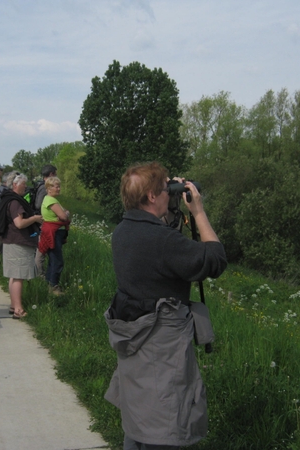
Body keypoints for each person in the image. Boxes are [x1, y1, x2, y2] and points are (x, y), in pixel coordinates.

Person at [105, 161, 227, 450]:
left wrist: (171, 209)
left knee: (141, 416)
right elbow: (215, 259)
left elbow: (165, 248)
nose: (167, 193)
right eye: (164, 189)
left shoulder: (123, 231)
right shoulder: (163, 241)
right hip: (163, 347)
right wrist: (197, 211)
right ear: (150, 196)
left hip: (135, 340)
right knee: (165, 421)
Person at [0, 172, 44, 318]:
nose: (26, 186)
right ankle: (18, 309)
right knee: (18, 276)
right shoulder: (15, 202)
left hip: (10, 241)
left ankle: (13, 305)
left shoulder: (7, 198)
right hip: (18, 243)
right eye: (23, 184)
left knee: (13, 276)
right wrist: (35, 218)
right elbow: (19, 223)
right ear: (15, 184)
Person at [38, 176, 70, 295]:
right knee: (57, 261)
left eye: (59, 186)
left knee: (53, 260)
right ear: (49, 188)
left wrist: (64, 213)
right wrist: (65, 213)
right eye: (56, 186)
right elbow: (64, 216)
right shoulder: (51, 201)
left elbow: (62, 214)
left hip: (52, 232)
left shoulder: (48, 199)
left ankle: (49, 284)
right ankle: (54, 287)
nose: (59, 188)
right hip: (54, 234)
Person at [34, 164, 57, 276]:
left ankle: (42, 275)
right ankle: (40, 276)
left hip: (43, 221)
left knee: (42, 250)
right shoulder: (44, 187)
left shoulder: (41, 185)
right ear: (51, 174)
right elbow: (38, 205)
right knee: (41, 251)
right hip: (43, 222)